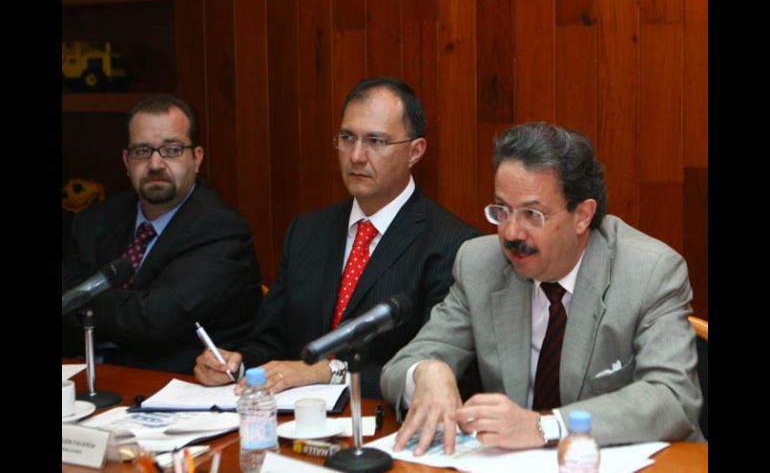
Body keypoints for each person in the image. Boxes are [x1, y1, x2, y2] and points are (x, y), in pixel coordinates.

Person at [380, 121, 705, 455]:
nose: (511, 233)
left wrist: (544, 427)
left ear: (583, 215)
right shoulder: (480, 264)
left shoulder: (650, 272)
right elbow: (399, 368)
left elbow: (673, 397)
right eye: (502, 210)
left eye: (532, 215)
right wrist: (426, 372)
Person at [194, 77, 481, 398]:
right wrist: (237, 365)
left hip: (381, 418)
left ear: (415, 151)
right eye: (347, 138)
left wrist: (327, 372)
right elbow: (270, 341)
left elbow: (432, 371)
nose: (356, 155)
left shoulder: (452, 245)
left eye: (375, 141)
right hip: (294, 414)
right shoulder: (306, 231)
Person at [62, 94, 263, 374]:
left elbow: (155, 320)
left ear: (197, 159)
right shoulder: (94, 221)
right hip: (90, 378)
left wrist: (82, 303)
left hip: (176, 384)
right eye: (142, 151)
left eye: (171, 149)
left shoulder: (220, 228)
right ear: (126, 161)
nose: (155, 164)